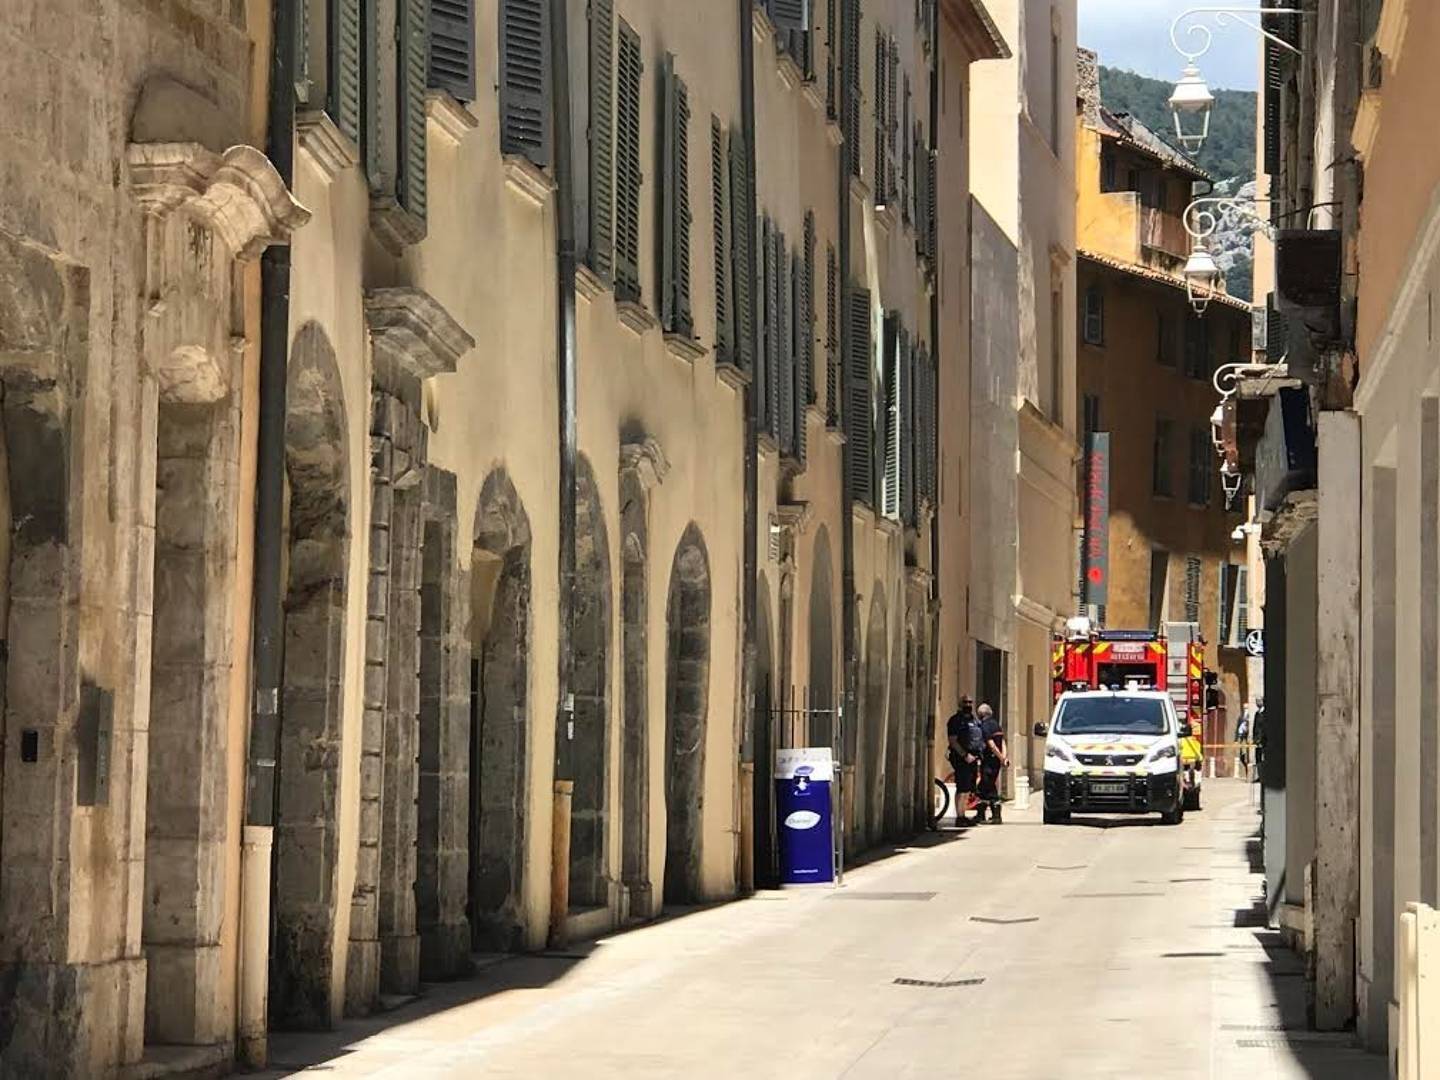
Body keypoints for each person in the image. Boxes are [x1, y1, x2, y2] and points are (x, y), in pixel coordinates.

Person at [945, 697, 983, 826]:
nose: (968, 705)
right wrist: (964, 755)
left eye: (970, 702)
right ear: (960, 704)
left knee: (968, 789)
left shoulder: (974, 720)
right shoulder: (955, 721)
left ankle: (964, 815)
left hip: (973, 758)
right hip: (961, 758)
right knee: (962, 787)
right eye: (965, 702)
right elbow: (953, 740)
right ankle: (959, 817)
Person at [975, 703, 1008, 824]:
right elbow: (1003, 742)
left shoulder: (985, 726)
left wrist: (1000, 757)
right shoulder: (996, 725)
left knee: (988, 787)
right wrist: (1004, 757)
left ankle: (996, 815)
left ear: (981, 715)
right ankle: (981, 814)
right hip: (996, 761)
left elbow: (991, 745)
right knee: (983, 787)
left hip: (989, 760)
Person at [1235, 706, 1251, 780]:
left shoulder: (1249, 717)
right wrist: (1236, 739)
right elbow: (1237, 728)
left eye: (1247, 708)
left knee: (1247, 757)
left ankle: (1248, 774)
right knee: (1242, 757)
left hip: (1247, 739)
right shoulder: (1240, 717)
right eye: (1244, 708)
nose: (1245, 709)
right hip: (1241, 739)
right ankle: (1246, 769)